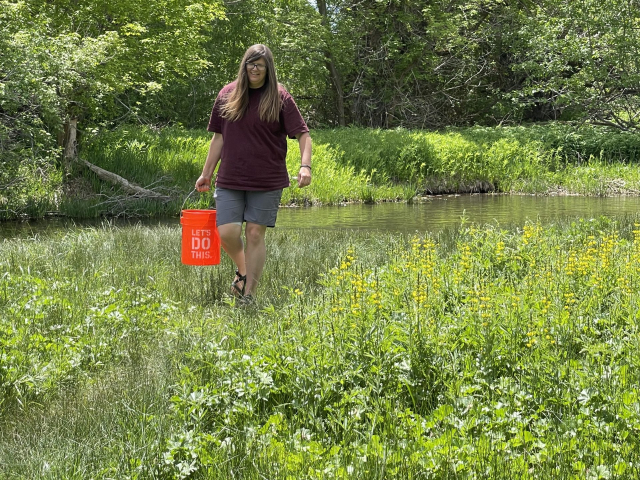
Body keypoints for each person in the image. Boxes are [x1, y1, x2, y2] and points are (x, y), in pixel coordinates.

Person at [195, 44, 312, 304]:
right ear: (244, 66)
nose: (255, 68)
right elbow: (218, 138)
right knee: (226, 232)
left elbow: (303, 135)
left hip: (267, 179)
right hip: (230, 177)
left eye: (260, 64)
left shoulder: (281, 97)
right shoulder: (227, 94)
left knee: (255, 234)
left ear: (268, 67)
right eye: (251, 63)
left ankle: (248, 296)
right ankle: (244, 271)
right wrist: (206, 173)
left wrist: (305, 166)